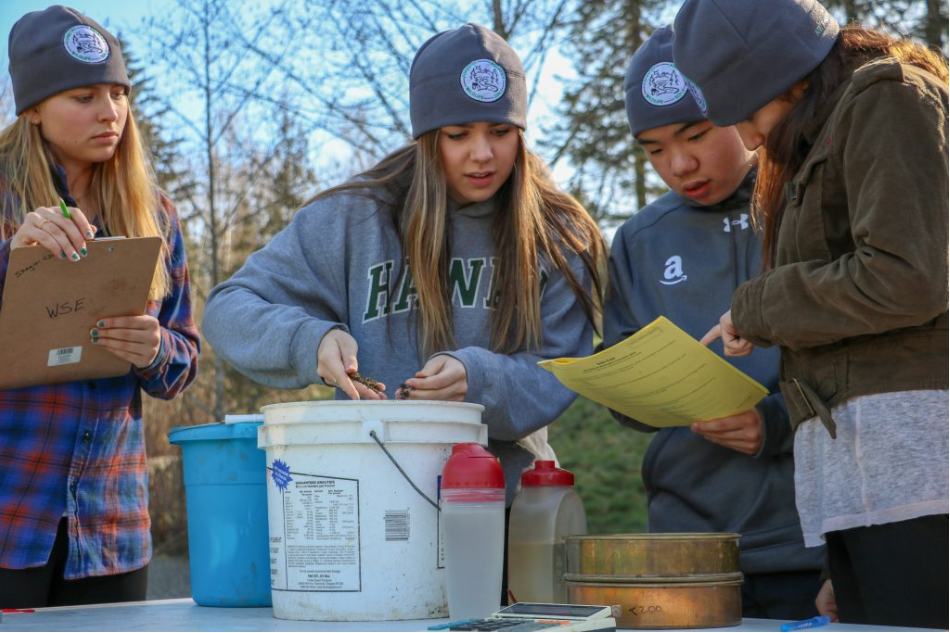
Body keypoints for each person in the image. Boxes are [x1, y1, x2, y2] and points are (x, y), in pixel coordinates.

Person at [203, 20, 603, 536]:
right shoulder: (353, 216)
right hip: (367, 507)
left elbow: (561, 369)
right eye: (458, 135)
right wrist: (312, 340)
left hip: (503, 511)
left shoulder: (557, 234)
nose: (482, 154)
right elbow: (228, 309)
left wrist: (477, 379)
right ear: (425, 135)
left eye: (501, 132)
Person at [672, 0, 949, 628]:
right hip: (868, 486)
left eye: (748, 112)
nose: (746, 139)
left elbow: (908, 278)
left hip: (920, 469)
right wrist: (839, 554)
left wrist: (759, 304)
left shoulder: (889, 97)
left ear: (788, 75)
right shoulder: (825, 125)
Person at [601, 25, 823, 620]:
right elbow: (622, 382)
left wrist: (774, 423)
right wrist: (636, 392)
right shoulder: (638, 239)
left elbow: (865, 358)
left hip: (812, 542)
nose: (679, 163)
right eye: (652, 149)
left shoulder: (810, 201)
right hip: (685, 549)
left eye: (696, 134)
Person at [0, 6, 200, 608]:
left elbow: (184, 358)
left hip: (111, 527)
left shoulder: (155, 211)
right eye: (84, 96)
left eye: (118, 93)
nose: (109, 112)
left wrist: (154, 348)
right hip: (11, 515)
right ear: (32, 107)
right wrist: (13, 260)